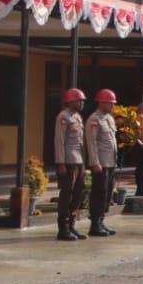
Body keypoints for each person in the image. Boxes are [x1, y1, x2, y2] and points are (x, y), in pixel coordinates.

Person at [85, 89, 120, 236]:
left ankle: (101, 221)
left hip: (110, 162)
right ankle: (94, 224)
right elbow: (91, 142)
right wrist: (94, 162)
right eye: (110, 103)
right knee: (99, 193)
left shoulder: (109, 119)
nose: (112, 106)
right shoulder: (94, 119)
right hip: (100, 163)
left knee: (107, 193)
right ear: (102, 102)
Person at [54, 88, 87, 241]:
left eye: (82, 101)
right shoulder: (63, 117)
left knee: (77, 194)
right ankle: (63, 228)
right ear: (70, 101)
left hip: (78, 161)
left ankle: (72, 225)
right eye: (79, 100)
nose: (82, 103)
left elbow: (81, 143)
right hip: (68, 161)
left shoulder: (78, 117)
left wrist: (84, 162)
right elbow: (59, 141)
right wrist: (60, 162)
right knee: (66, 194)